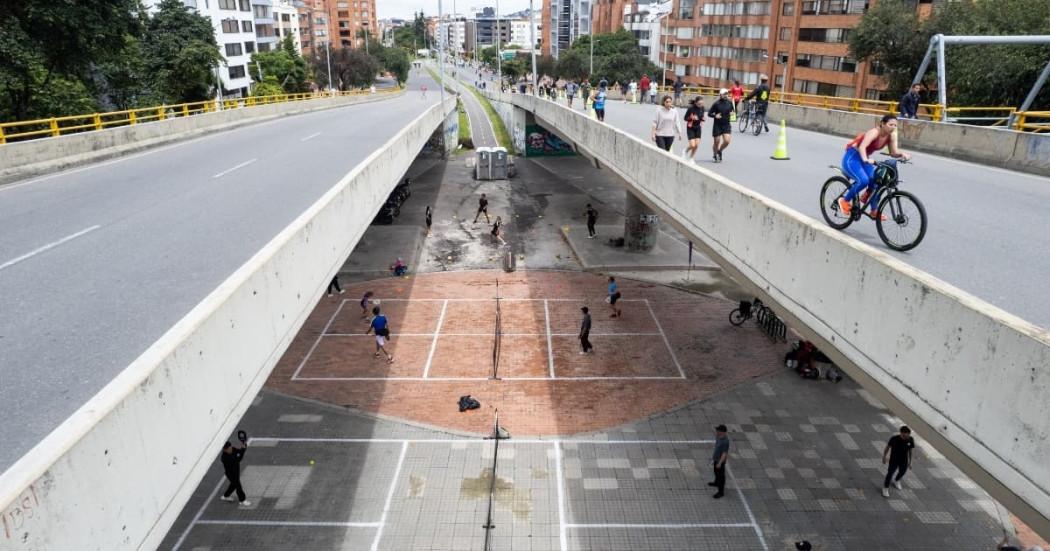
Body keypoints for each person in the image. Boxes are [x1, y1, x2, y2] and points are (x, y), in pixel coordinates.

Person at [837, 114, 911, 219]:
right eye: (891, 125)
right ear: (882, 124)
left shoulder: (892, 135)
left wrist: (902, 154)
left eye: (895, 125)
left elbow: (893, 152)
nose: (893, 127)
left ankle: (874, 211)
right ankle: (844, 200)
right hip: (852, 157)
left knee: (876, 182)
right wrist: (865, 159)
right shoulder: (874, 132)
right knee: (863, 180)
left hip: (864, 159)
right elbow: (862, 146)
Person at [882, 425, 915, 497]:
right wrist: (884, 457)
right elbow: (887, 448)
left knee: (902, 472)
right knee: (890, 473)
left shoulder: (910, 439)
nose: (908, 437)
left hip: (904, 460)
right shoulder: (894, 439)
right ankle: (885, 488)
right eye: (906, 435)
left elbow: (911, 451)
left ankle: (896, 480)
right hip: (894, 460)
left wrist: (910, 461)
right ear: (902, 433)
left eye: (909, 435)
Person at [219, 440, 251, 507]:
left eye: (231, 447)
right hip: (231, 474)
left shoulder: (233, 449)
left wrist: (243, 448)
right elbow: (238, 459)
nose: (231, 449)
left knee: (233, 485)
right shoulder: (225, 458)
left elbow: (239, 453)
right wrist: (242, 450)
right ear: (224, 449)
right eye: (229, 449)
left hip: (236, 471)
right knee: (238, 486)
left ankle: (225, 496)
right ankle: (242, 500)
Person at [708, 89, 734, 162]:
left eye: (727, 94)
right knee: (717, 141)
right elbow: (709, 113)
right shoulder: (716, 104)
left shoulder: (730, 103)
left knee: (727, 141)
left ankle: (719, 151)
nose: (726, 95)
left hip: (726, 124)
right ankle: (714, 154)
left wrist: (733, 114)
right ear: (720, 95)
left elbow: (734, 112)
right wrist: (715, 116)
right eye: (724, 94)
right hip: (717, 125)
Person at [709, 424, 730, 499]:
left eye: (718, 430)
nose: (716, 431)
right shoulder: (718, 436)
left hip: (720, 461)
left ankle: (721, 492)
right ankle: (716, 482)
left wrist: (720, 463)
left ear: (722, 432)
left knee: (721, 476)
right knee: (715, 472)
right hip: (716, 458)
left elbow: (724, 453)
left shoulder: (725, 442)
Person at [683, 96, 705, 163]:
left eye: (701, 104)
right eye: (699, 104)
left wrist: (702, 119)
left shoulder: (702, 108)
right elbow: (685, 118)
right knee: (692, 145)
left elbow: (701, 117)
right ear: (695, 103)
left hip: (698, 127)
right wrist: (691, 118)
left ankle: (691, 158)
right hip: (690, 128)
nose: (700, 105)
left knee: (696, 145)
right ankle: (685, 151)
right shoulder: (691, 109)